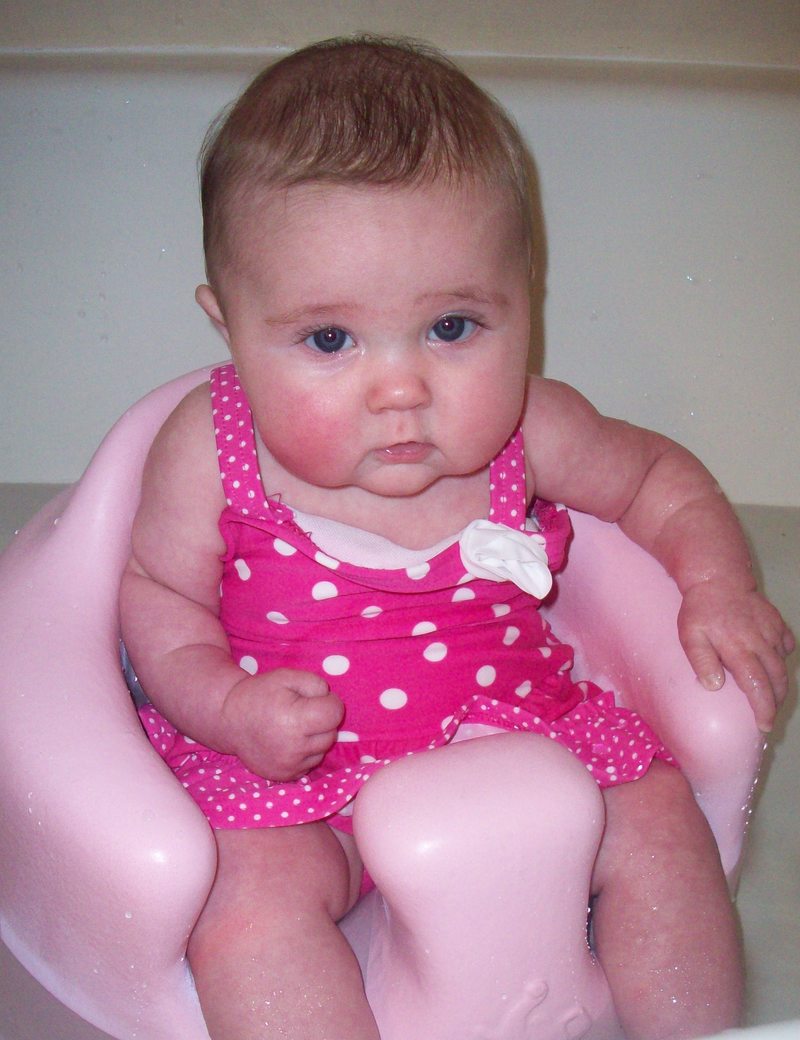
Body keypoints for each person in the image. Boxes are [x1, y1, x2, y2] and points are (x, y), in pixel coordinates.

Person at [120, 35, 794, 1040]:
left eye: (451, 327)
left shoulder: (532, 427)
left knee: (661, 827)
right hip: (297, 781)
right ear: (231, 327)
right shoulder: (211, 450)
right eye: (329, 339)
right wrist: (226, 706)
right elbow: (157, 596)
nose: (401, 389)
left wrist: (717, 584)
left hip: (523, 734)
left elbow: (656, 477)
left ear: (525, 295)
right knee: (244, 910)